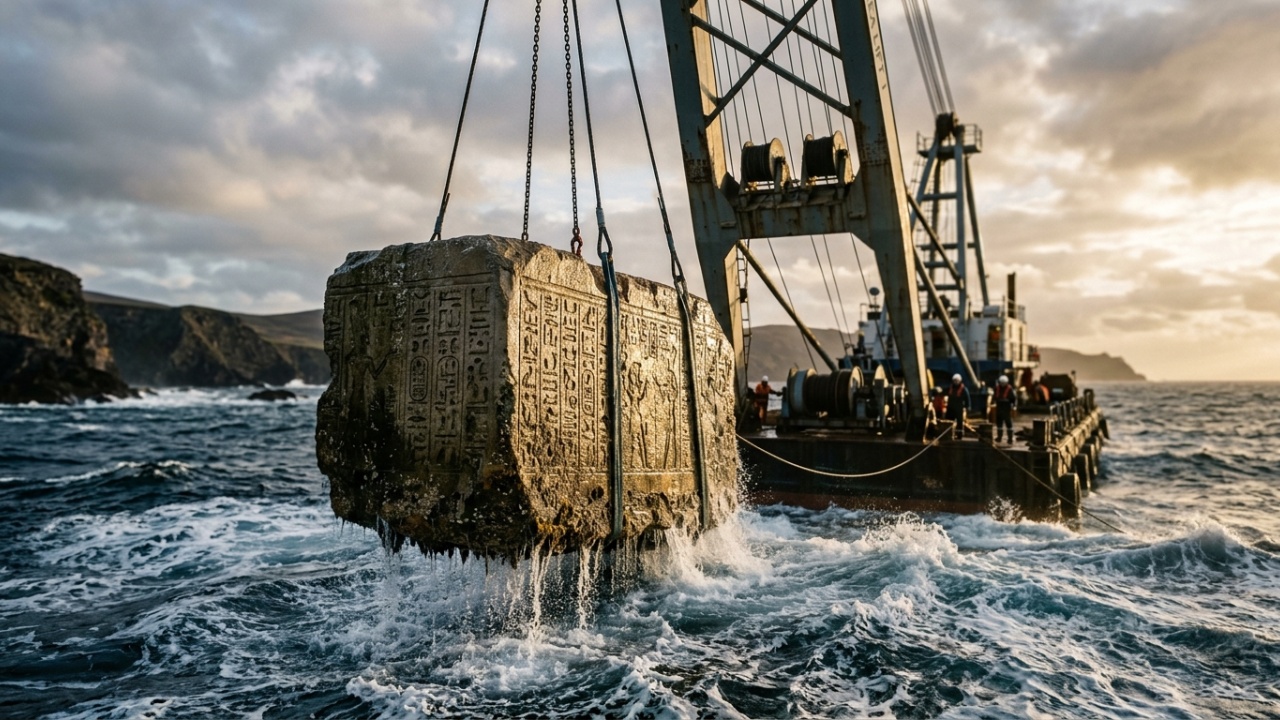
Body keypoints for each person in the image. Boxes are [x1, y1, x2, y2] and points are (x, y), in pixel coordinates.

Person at [993, 374, 1016, 444]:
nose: (1002, 384)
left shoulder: (1010, 389)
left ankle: (1010, 438)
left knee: (1008, 423)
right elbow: (994, 397)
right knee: (999, 424)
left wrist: (1014, 405)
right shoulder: (997, 388)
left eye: (1004, 383)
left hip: (1006, 408)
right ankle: (999, 437)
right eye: (1001, 383)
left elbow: (1013, 398)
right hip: (999, 407)